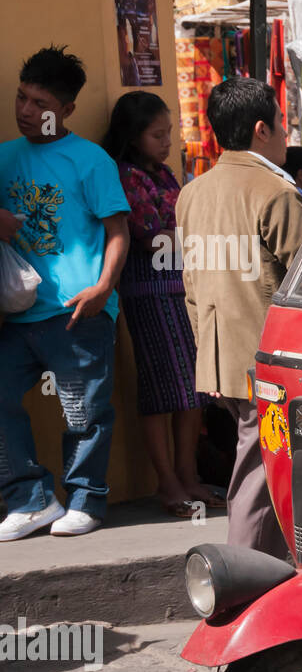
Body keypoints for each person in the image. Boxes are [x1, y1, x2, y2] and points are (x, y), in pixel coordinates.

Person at [0, 46, 130, 541]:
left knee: (84, 412)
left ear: (67, 110)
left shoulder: (90, 160)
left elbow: (118, 229)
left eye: (39, 103)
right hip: (20, 312)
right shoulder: (5, 156)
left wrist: (102, 289)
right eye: (21, 98)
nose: (26, 111)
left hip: (80, 311)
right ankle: (30, 500)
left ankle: (85, 501)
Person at [176, 77, 302, 556]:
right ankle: (243, 575)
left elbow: (193, 286)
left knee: (263, 458)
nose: (286, 135)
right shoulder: (275, 193)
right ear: (261, 130)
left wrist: (206, 355)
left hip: (221, 361)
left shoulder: (193, 193)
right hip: (268, 364)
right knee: (259, 468)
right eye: (282, 125)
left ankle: (268, 570)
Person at [103, 90, 221, 517]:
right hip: (148, 295)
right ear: (134, 138)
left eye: (168, 132)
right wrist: (199, 239)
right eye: (158, 134)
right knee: (160, 390)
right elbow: (151, 236)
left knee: (192, 387)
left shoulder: (166, 174)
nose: (167, 141)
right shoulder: (125, 176)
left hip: (180, 289)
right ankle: (167, 481)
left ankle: (187, 474)